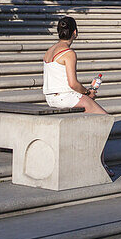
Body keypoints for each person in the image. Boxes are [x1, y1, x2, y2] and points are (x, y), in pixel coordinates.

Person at [42, 16, 111, 174]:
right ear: (75, 32)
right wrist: (88, 93)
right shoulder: (69, 53)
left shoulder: (49, 51)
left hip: (51, 97)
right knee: (105, 120)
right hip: (65, 97)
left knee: (92, 120)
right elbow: (72, 83)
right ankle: (100, 165)